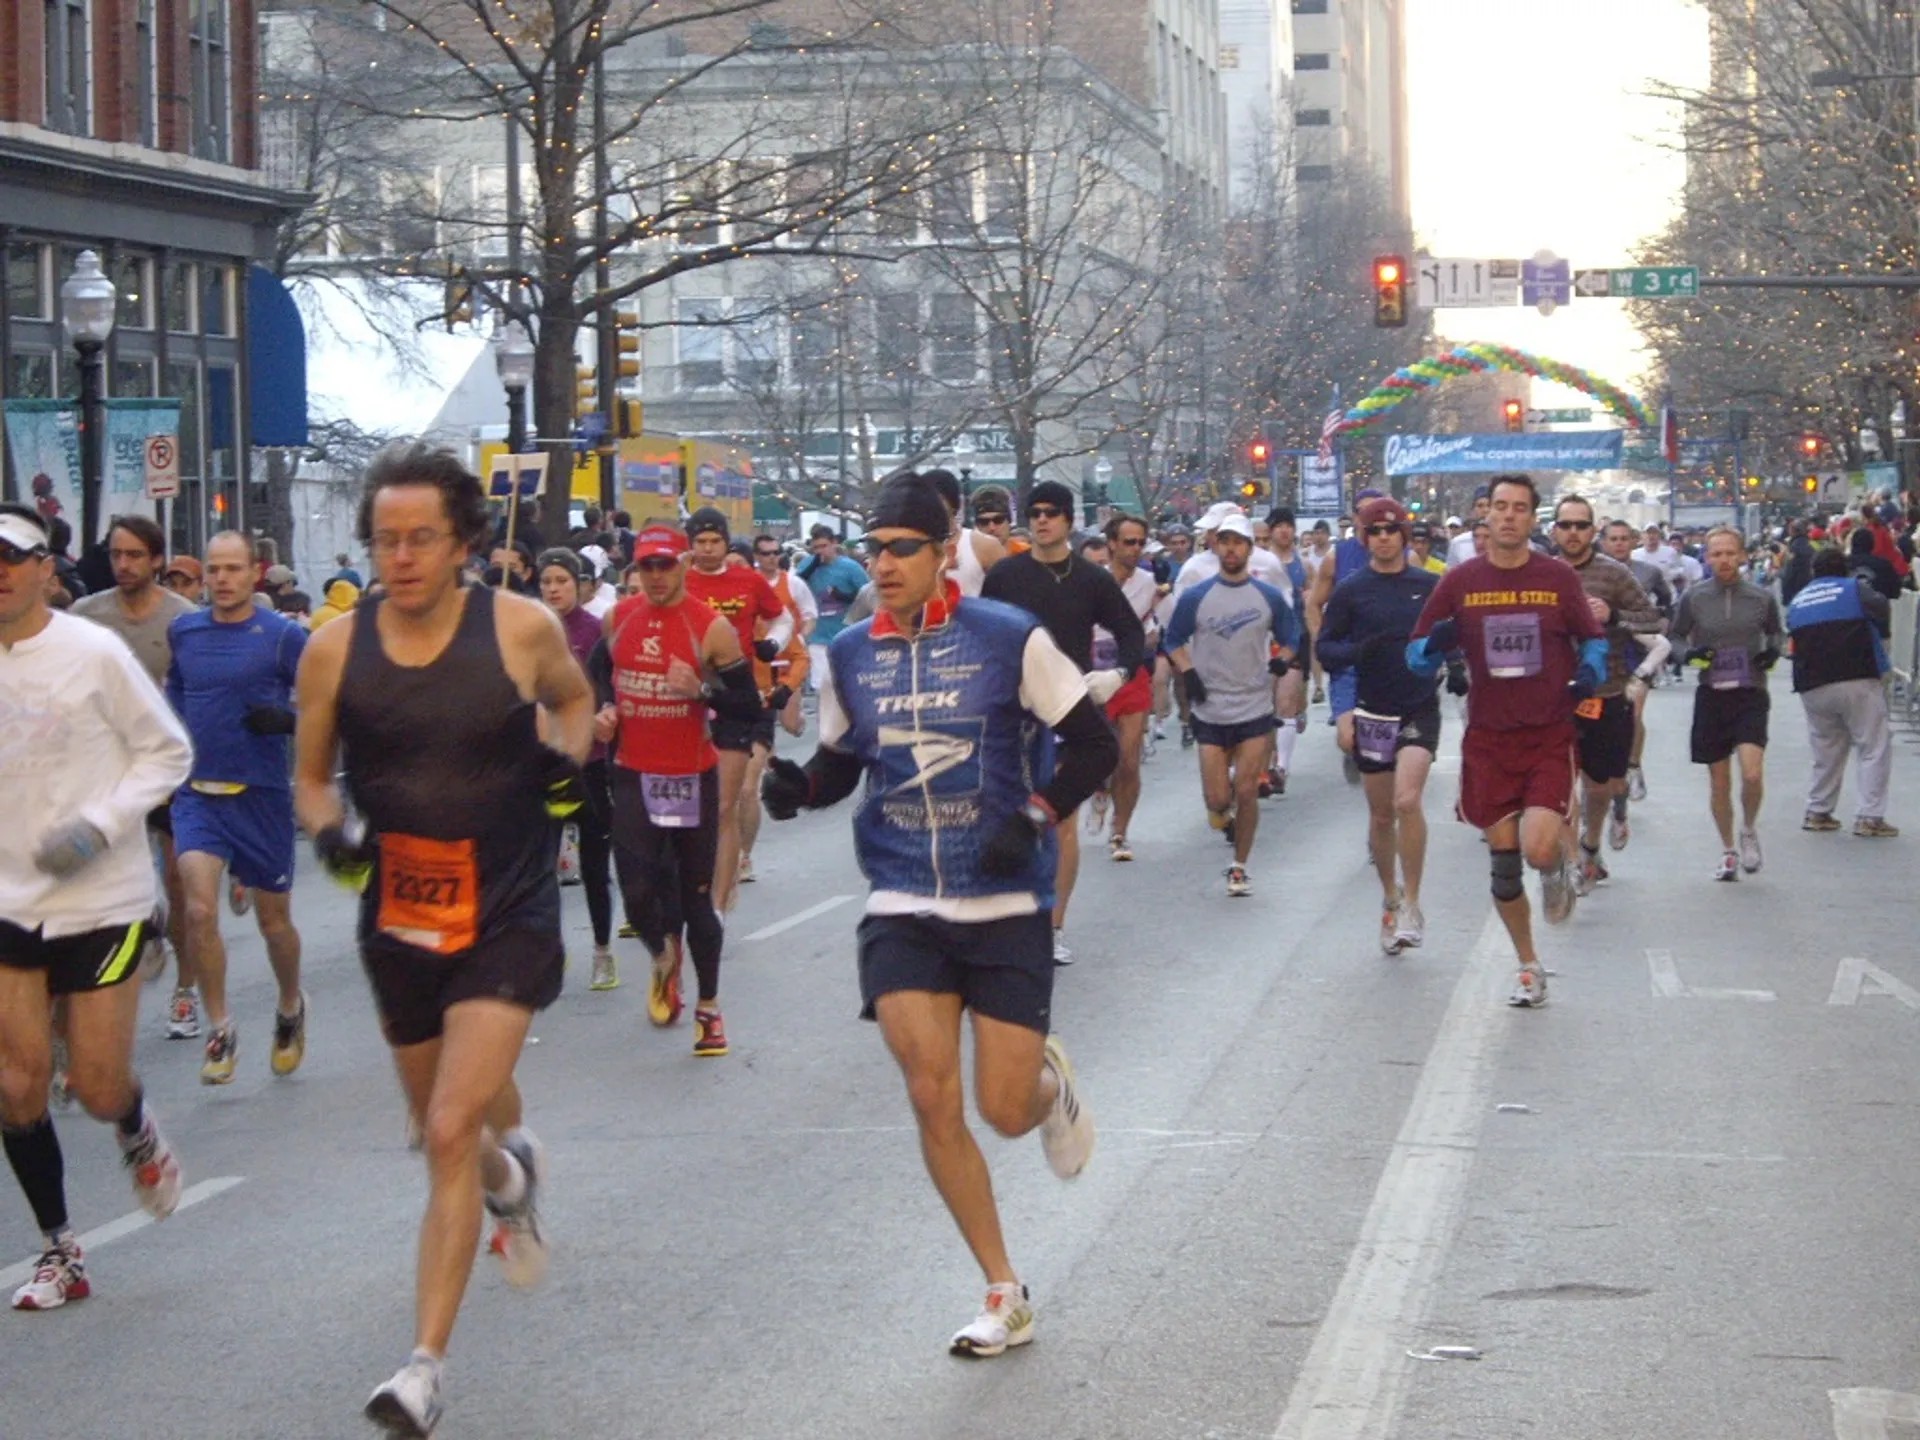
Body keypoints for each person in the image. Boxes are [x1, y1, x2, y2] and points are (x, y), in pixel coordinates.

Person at [758, 473, 1109, 1357]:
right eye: (872, 548)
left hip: (1003, 901)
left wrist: (1033, 816)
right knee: (927, 1091)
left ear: (944, 551)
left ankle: (1046, 1086)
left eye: (899, 549)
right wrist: (800, 787)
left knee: (1001, 1108)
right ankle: (1003, 1288)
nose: (881, 564)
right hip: (904, 897)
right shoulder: (848, 651)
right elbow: (843, 758)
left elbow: (1092, 744)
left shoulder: (1006, 638)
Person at [292, 444, 593, 1434]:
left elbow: (575, 702)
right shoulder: (335, 648)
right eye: (385, 539)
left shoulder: (520, 628)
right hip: (401, 916)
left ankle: (423, 1368)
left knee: (454, 1128)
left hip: (507, 905)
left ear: (465, 542)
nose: (402, 557)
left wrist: (563, 766)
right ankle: (516, 1179)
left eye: (421, 538)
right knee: (443, 1130)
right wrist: (331, 833)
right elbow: (310, 774)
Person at [0, 503, 192, 1311]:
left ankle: (133, 1122)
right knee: (16, 1085)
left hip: (102, 898)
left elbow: (168, 752)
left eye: (11, 558)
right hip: (10, 898)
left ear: (45, 569)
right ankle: (59, 1250)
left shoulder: (92, 651)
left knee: (97, 1082)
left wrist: (99, 826)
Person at [1407, 474, 1607, 1007]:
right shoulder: (1460, 581)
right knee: (1503, 866)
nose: (1510, 516)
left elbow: (1594, 641)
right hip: (1488, 740)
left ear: (1531, 518)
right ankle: (1528, 964)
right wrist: (1439, 644)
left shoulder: (1558, 577)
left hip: (1546, 733)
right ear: (1487, 517)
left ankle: (1558, 866)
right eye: (1501, 507)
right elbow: (1415, 654)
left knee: (1538, 848)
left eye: (1520, 508)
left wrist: (1589, 673)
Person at [600, 526, 757, 1056]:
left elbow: (748, 706)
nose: (657, 577)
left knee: (695, 900)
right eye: (647, 567)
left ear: (684, 565)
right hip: (632, 772)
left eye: (666, 566)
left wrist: (703, 691)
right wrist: (603, 709)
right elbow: (600, 674)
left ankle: (709, 1010)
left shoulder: (710, 628)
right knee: (638, 890)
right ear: (634, 570)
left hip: (688, 777)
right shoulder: (618, 618)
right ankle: (664, 954)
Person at [165, 531, 309, 1084]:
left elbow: (320, 700)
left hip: (261, 795)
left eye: (232, 569)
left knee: (275, 925)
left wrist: (290, 719)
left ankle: (291, 1005)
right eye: (213, 569)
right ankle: (220, 1026)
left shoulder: (281, 637)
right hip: (198, 792)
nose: (221, 579)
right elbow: (175, 693)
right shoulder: (185, 632)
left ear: (255, 573)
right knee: (198, 910)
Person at [982, 480, 1144, 960]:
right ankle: (1006, 915)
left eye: (1052, 512)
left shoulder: (1093, 579)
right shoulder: (1007, 576)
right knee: (1006, 813)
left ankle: (1052, 925)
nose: (1042, 520)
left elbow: (1131, 633)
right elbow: (984, 636)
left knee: (1060, 820)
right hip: (1013, 711)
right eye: (1034, 512)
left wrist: (1117, 673)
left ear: (1069, 520)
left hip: (1072, 710)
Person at [71, 515, 201, 1035]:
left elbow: (198, 693)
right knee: (101, 885)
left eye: (133, 555)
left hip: (168, 766)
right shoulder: (87, 615)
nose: (122, 565)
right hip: (104, 770)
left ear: (156, 561)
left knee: (180, 879)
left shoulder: (183, 619)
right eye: (116, 555)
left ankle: (186, 991)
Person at [1314, 497, 1442, 950]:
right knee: (1382, 812)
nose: (1384, 538)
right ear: (1364, 539)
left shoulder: (1429, 585)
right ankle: (1390, 895)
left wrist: (1458, 665)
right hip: (1373, 709)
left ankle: (1413, 903)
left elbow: (1452, 633)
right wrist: (1356, 653)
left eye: (1392, 530)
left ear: (1405, 536)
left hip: (1418, 705)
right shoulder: (1351, 590)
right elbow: (1326, 649)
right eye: (1375, 531)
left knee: (1408, 800)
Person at [1164, 513, 1301, 897]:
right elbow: (1172, 639)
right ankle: (1220, 816)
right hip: (1210, 706)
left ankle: (1240, 866)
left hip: (1254, 704)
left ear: (1249, 548)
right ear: (1215, 545)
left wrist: (1283, 658)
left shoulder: (1268, 595)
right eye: (1224, 541)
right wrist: (1188, 672)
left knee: (1245, 790)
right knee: (1218, 798)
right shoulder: (1197, 595)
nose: (1230, 549)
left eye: (1238, 542)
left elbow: (1292, 635)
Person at [681, 507, 793, 912]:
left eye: (715, 541)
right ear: (690, 544)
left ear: (727, 542)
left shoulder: (748, 580)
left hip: (735, 695)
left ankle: (719, 899)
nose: (708, 550)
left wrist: (773, 646)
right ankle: (689, 881)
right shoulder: (677, 580)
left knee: (724, 805)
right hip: (684, 695)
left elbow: (784, 620)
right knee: (689, 804)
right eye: (701, 542)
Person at [1549, 498, 1666, 887]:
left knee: (1599, 786)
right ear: (1554, 530)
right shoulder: (1541, 573)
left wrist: (1613, 616)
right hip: (1553, 696)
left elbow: (1652, 618)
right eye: (1565, 525)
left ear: (1591, 531)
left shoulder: (1613, 574)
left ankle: (1591, 844)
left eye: (1581, 526)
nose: (1573, 533)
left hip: (1606, 692)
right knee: (1563, 785)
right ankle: (1571, 861)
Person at [1670, 526, 1784, 881]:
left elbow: (1776, 632)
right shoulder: (1694, 597)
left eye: (1729, 553)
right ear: (1706, 557)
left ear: (1742, 556)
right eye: (1715, 554)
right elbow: (1673, 636)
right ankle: (1728, 850)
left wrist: (1772, 652)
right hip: (1712, 694)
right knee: (1719, 782)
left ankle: (1748, 829)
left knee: (1751, 772)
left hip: (1750, 691)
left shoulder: (1761, 597)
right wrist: (1689, 654)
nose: (1723, 560)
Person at [538, 549, 618, 989]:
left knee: (593, 865)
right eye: (547, 581)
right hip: (542, 766)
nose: (553, 589)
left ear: (580, 585)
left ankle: (603, 951)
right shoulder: (527, 632)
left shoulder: (595, 629)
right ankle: (549, 949)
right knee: (541, 865)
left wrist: (605, 715)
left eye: (562, 581)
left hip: (589, 764)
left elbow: (609, 687)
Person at [1787, 547, 1898, 837]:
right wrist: (1883, 635)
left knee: (1826, 748)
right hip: (1856, 676)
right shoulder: (1854, 589)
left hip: (1812, 685)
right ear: (1845, 569)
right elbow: (1881, 605)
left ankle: (1818, 811)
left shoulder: (1799, 600)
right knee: (1873, 745)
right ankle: (1870, 817)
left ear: (1814, 572)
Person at [1095, 513, 1159, 861]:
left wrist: (1151, 637)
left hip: (1131, 673)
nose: (1135, 549)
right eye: (1128, 542)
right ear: (1112, 544)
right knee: (1102, 756)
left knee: (1129, 760)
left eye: (1140, 542)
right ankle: (1100, 786)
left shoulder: (1149, 583)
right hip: (1094, 672)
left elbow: (1154, 625)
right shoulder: (1093, 580)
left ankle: (1120, 831)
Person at [1262, 507, 1312, 793]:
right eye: (1278, 526)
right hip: (1263, 640)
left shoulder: (1304, 565)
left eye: (1288, 526)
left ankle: (1282, 767)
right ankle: (1266, 761)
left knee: (1286, 703)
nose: (1284, 531)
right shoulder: (1258, 562)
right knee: (1266, 705)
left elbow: (1313, 602)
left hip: (1294, 638)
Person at [799, 524, 868, 696]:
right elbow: (795, 587)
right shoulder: (808, 565)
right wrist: (813, 566)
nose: (820, 551)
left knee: (848, 686)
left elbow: (868, 594)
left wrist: (844, 596)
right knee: (822, 688)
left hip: (846, 632)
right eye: (816, 548)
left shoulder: (850, 567)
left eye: (824, 546)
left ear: (834, 544)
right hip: (819, 636)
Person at [925, 469, 1007, 597]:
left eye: (937, 499)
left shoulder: (983, 545)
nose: (930, 506)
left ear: (952, 504)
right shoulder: (912, 548)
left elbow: (1010, 599)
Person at [1445, 486, 1492, 567]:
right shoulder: (1458, 543)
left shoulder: (1506, 542)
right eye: (1480, 506)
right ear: (1473, 510)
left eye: (1489, 505)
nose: (1485, 510)